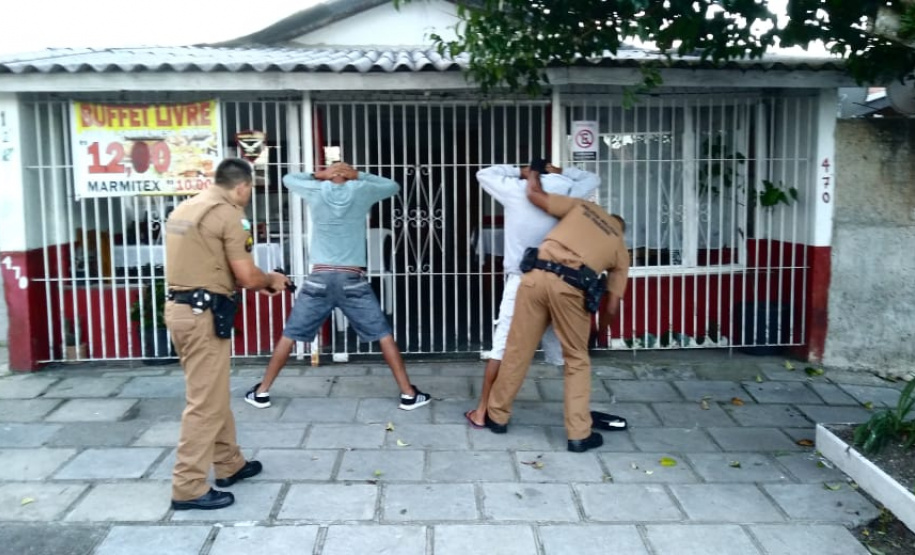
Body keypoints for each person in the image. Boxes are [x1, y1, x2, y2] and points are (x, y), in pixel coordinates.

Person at [244, 162, 431, 411]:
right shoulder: (362, 189)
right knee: (383, 334)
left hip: (319, 278)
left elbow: (289, 179)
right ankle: (408, 394)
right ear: (349, 175)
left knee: (290, 335)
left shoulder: (315, 190)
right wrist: (359, 175)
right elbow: (392, 186)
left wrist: (318, 175)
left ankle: (262, 391)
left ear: (329, 176)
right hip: (352, 278)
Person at [165, 158, 290, 510]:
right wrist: (271, 281)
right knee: (204, 403)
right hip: (202, 315)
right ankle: (187, 487)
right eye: (250, 190)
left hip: (182, 310)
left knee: (211, 392)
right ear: (242, 187)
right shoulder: (229, 214)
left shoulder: (186, 208)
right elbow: (248, 276)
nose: (249, 196)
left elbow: (210, 264)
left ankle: (229, 463)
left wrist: (254, 283)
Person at [484, 159, 630, 453]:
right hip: (570, 289)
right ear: (620, 229)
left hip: (534, 276)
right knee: (577, 360)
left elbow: (534, 196)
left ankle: (496, 416)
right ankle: (578, 434)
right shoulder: (619, 246)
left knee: (517, 348)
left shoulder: (582, 208)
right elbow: (612, 303)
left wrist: (534, 173)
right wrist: (601, 331)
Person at [465, 162, 599, 429]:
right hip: (563, 282)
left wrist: (520, 171)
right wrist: (562, 172)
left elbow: (484, 174)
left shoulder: (518, 189)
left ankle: (483, 410)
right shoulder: (571, 190)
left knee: (503, 346)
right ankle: (579, 417)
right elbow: (593, 177)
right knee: (571, 354)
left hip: (523, 281)